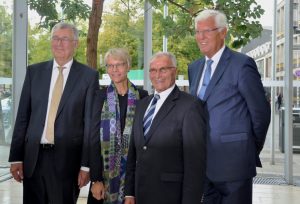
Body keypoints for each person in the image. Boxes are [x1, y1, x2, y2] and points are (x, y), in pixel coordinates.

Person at [8, 22, 102, 204]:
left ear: (76, 44)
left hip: (67, 163)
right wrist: (16, 157)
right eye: (55, 38)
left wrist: (85, 165)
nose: (59, 43)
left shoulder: (88, 77)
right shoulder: (34, 72)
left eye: (65, 39)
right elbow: (22, 118)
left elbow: (90, 124)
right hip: (33, 160)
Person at [188, 10, 271, 204]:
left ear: (223, 32)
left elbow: (261, 114)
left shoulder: (242, 65)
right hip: (202, 165)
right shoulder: (194, 68)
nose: (201, 37)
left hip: (235, 164)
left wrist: (248, 148)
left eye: (206, 31)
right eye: (197, 32)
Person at [124, 52, 207, 204]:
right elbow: (133, 153)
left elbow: (195, 164)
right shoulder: (141, 105)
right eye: (153, 70)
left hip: (170, 195)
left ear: (174, 71)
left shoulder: (190, 106)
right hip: (140, 193)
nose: (158, 75)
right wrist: (129, 192)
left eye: (163, 69)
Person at [88, 48, 148, 204]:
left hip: (133, 176)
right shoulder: (99, 97)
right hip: (104, 177)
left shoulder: (143, 96)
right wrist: (96, 179)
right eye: (109, 65)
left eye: (119, 65)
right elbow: (93, 139)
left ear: (128, 66)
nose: (114, 70)